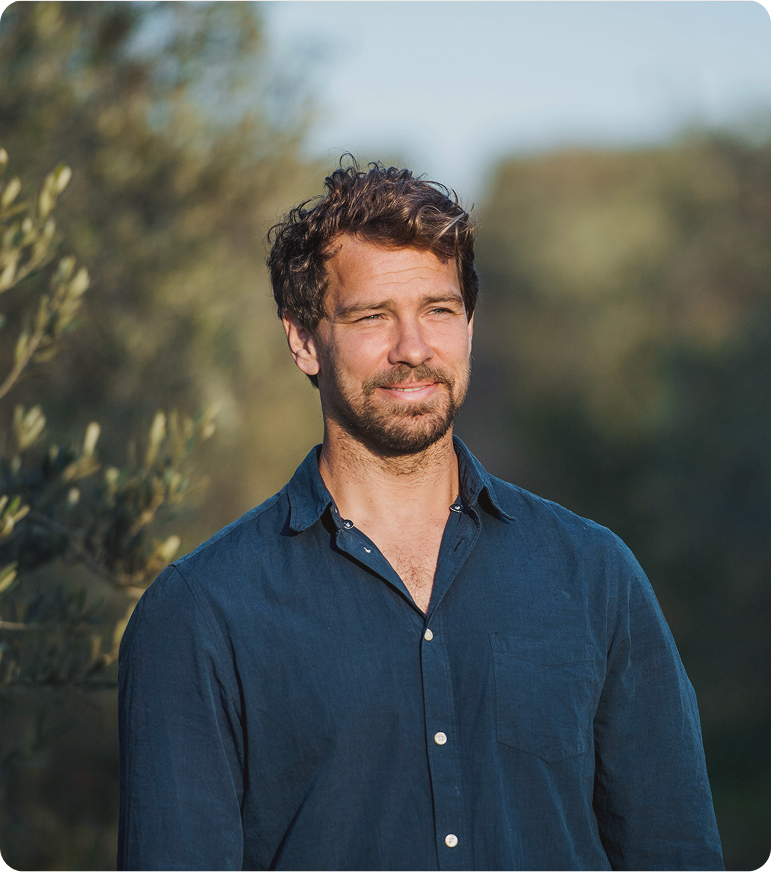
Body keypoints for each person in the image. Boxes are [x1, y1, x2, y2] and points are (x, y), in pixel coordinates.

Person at [118, 160, 724, 871]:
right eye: (372, 315)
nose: (413, 349)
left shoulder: (593, 575)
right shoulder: (200, 613)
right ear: (304, 340)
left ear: (468, 325)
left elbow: (673, 849)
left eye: (437, 310)